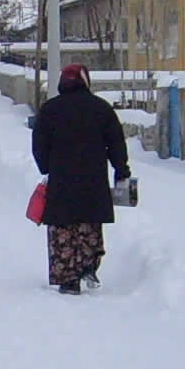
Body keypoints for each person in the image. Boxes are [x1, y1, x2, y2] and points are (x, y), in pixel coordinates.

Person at [30, 63, 132, 293]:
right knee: (89, 224)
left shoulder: (50, 109)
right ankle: (87, 265)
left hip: (61, 181)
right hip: (92, 180)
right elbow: (116, 142)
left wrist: (45, 167)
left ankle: (68, 279)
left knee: (63, 228)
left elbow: (39, 144)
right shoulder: (101, 109)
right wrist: (121, 169)